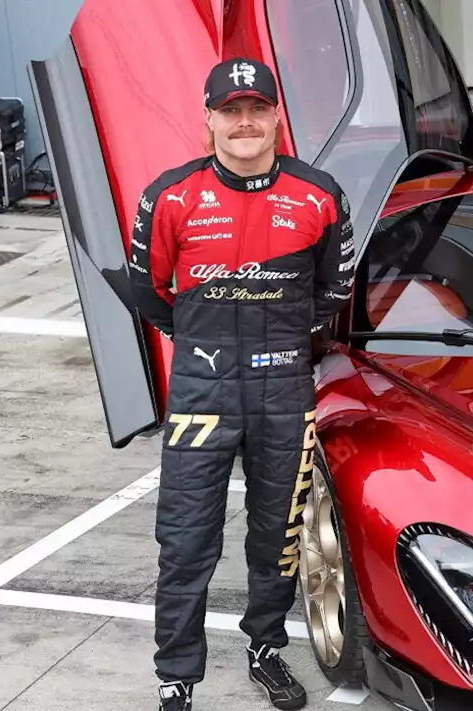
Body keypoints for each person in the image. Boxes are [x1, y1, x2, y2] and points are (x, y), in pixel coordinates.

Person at [128, 57, 356, 710]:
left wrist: (278, 344)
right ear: (210, 120)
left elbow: (331, 294)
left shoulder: (319, 196)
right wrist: (210, 344)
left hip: (285, 390)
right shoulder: (170, 197)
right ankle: (177, 677)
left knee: (276, 537)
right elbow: (151, 293)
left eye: (257, 108)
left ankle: (265, 648)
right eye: (231, 111)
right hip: (202, 391)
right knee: (185, 539)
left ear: (276, 115)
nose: (245, 122)